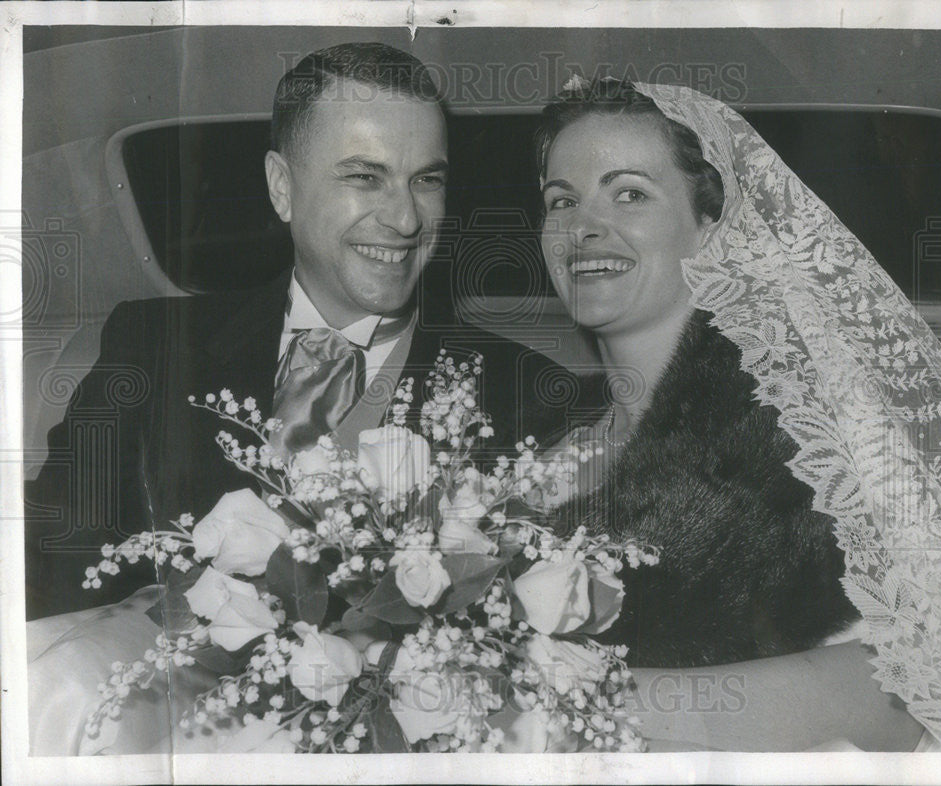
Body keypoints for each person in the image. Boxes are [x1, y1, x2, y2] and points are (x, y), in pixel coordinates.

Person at [23, 43, 581, 623]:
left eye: (427, 181)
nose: (407, 219)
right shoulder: (151, 345)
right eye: (365, 177)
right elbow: (54, 553)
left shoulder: (533, 396)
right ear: (281, 186)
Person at [536, 78, 941, 751]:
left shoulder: (813, 437)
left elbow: (904, 693)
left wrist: (576, 689)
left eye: (629, 193)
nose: (583, 226)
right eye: (561, 200)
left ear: (711, 223)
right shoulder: (545, 465)